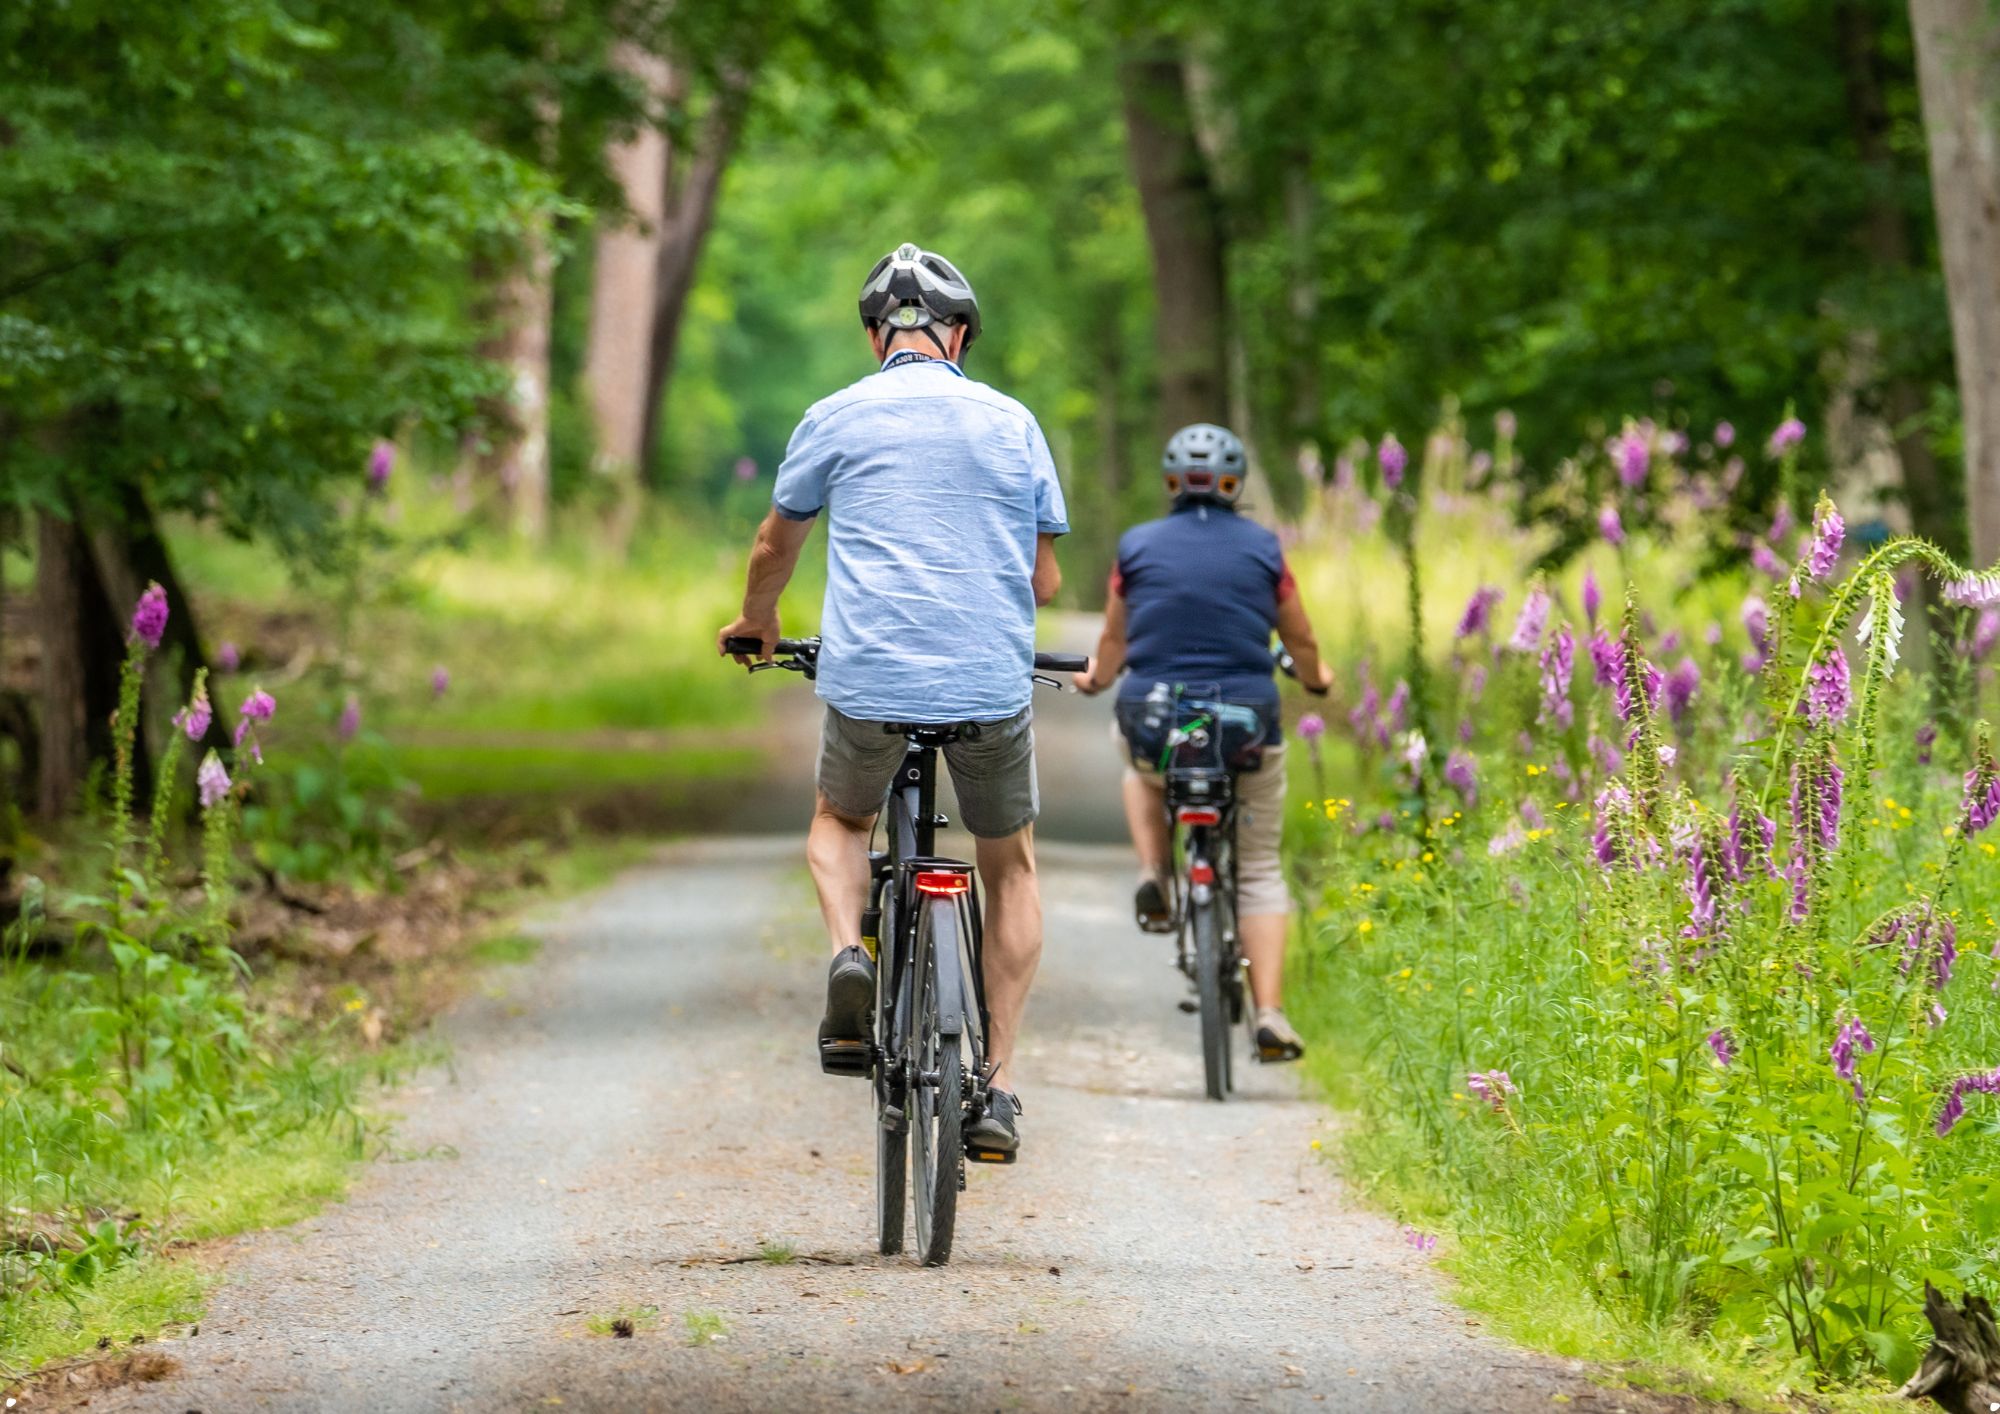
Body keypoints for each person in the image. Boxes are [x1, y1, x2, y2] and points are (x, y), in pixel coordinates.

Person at [717, 243, 1067, 1159]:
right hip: (990, 683)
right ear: (959, 336)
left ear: (878, 336)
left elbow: (772, 546)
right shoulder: (1012, 422)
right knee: (1012, 865)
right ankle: (997, 1088)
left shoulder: (834, 415)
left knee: (840, 820)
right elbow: (1046, 575)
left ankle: (849, 955)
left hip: (870, 679)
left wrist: (759, 622)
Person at [1071, 423, 1330, 1062]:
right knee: (1263, 868)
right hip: (1245, 723)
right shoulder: (1266, 548)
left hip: (1155, 719)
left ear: (1170, 483)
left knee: (1136, 762)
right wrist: (1319, 680)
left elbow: (1114, 641)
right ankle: (1269, 1013)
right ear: (1234, 482)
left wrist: (1097, 679)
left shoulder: (1136, 547)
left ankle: (1155, 871)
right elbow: (1299, 639)